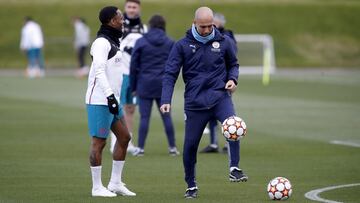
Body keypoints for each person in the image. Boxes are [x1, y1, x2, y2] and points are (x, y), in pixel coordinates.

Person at [160, 7, 248, 199]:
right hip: (195, 104)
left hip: (220, 97)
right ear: (194, 24)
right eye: (203, 27)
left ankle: (234, 168)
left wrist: (233, 79)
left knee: (233, 126)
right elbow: (170, 73)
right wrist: (165, 99)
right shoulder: (182, 45)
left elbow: (233, 64)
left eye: (211, 26)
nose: (208, 30)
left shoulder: (224, 42)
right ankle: (191, 185)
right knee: (190, 147)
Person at [85, 6, 136, 197]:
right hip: (100, 100)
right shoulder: (101, 43)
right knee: (99, 143)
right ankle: (97, 187)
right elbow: (98, 71)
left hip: (112, 101)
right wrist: (109, 96)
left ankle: (115, 183)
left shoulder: (113, 41)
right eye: (120, 18)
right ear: (110, 21)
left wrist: (114, 98)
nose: (123, 20)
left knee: (124, 138)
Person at [129, 15, 179, 156]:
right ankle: (172, 148)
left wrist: (133, 87)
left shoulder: (141, 41)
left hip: (144, 83)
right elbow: (174, 64)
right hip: (164, 85)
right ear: (163, 25)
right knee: (166, 116)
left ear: (150, 25)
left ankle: (141, 148)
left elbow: (133, 66)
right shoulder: (170, 42)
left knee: (144, 117)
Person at [110, 0, 147, 154]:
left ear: (139, 9)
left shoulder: (144, 28)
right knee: (116, 108)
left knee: (131, 109)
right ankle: (114, 142)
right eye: (129, 7)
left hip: (135, 76)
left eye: (134, 7)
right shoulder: (118, 25)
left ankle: (128, 142)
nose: (131, 10)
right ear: (125, 8)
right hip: (119, 73)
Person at [200, 12, 237, 154]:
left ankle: (229, 143)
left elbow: (232, 61)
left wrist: (232, 79)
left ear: (220, 23)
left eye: (213, 23)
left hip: (224, 82)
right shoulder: (205, 38)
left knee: (227, 114)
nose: (210, 27)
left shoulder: (227, 38)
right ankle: (213, 143)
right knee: (209, 112)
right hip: (208, 82)